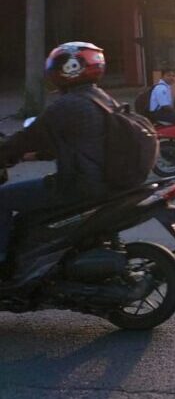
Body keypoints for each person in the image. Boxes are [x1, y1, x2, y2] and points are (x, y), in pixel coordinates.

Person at [0, 42, 117, 272]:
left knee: (2, 198)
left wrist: (5, 153)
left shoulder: (67, 105)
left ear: (69, 68)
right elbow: (73, 141)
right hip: (101, 180)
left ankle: (2, 261)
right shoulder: (100, 98)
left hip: (78, 184)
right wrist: (31, 156)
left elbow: (28, 137)